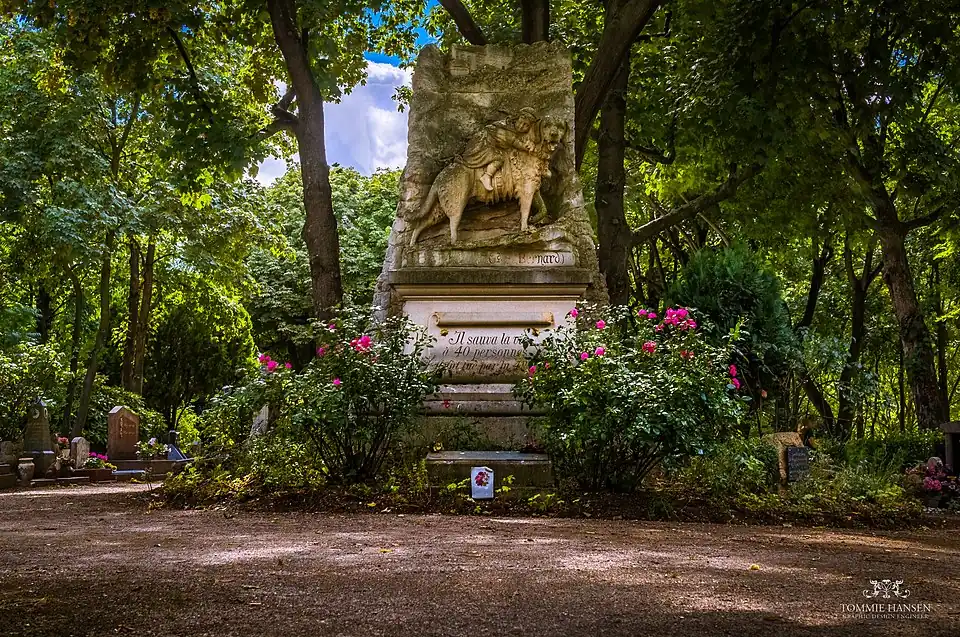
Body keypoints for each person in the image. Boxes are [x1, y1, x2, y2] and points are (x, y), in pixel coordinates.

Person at [459, 108, 538, 191]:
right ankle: (487, 176)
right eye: (521, 122)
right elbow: (515, 142)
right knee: (499, 158)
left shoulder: (513, 130)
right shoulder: (505, 129)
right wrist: (529, 149)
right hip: (482, 145)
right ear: (517, 118)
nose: (521, 126)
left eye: (526, 125)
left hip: (489, 145)